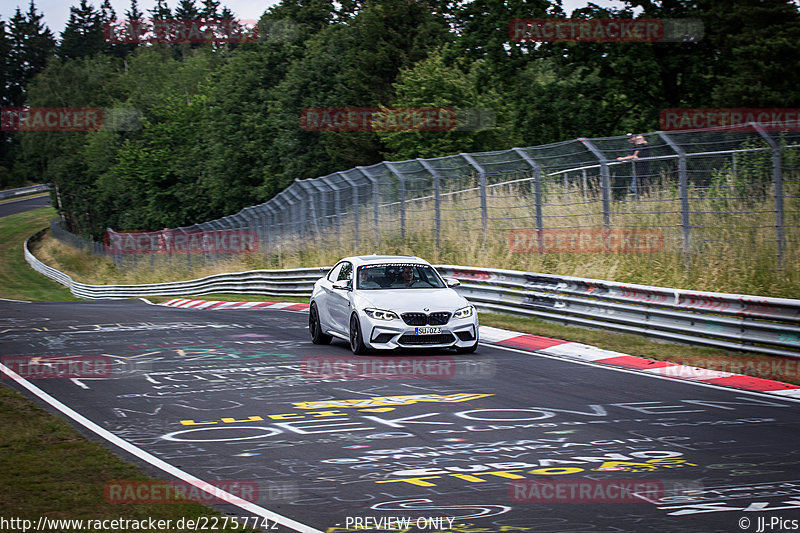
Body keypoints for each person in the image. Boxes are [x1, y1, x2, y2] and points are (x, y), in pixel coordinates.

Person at [617, 134, 651, 198]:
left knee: (637, 187)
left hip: (643, 169)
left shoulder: (642, 145)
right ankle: (641, 199)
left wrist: (622, 158)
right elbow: (631, 156)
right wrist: (625, 159)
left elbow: (634, 155)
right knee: (637, 187)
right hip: (637, 170)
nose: (631, 139)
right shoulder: (632, 147)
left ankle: (642, 199)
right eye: (629, 138)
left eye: (632, 138)